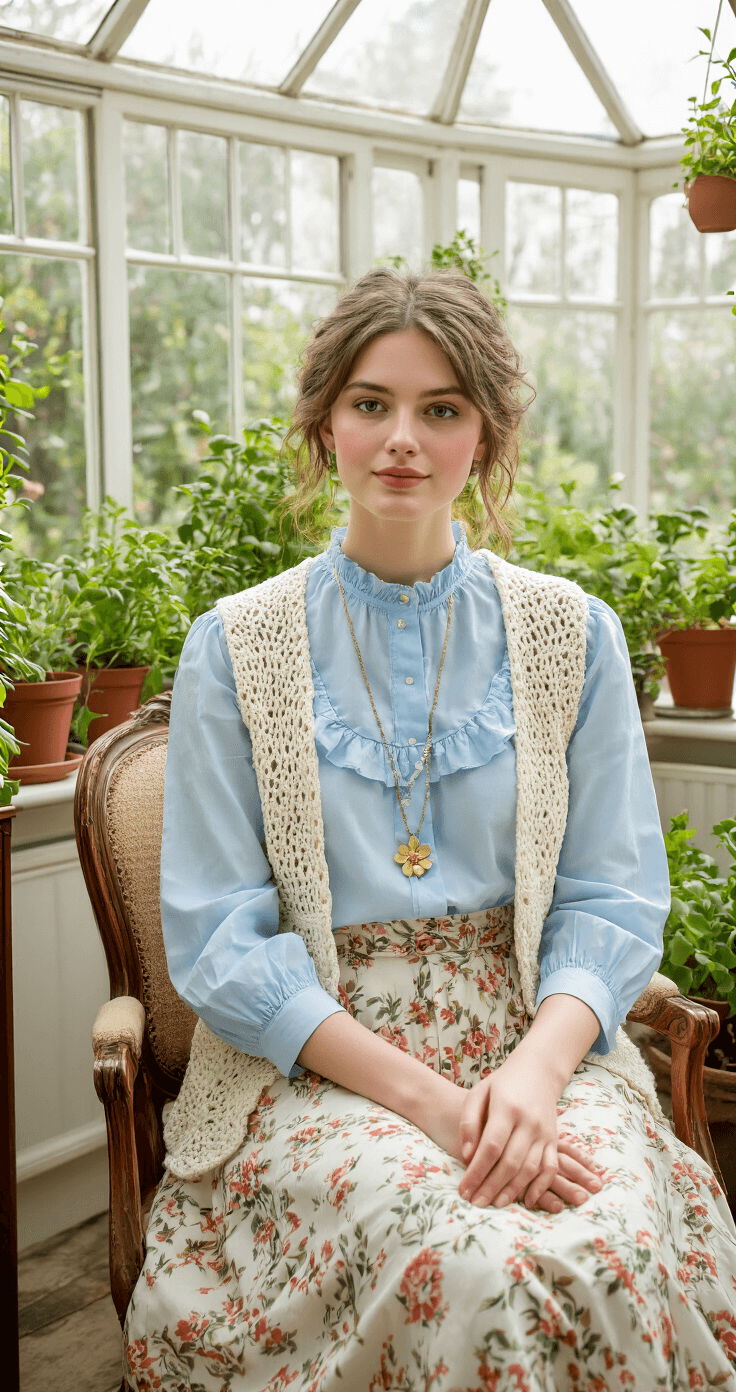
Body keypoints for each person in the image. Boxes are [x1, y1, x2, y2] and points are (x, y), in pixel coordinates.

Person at [124, 268, 736, 1391]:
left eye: (440, 408)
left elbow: (611, 894)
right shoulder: (235, 646)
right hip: (320, 1071)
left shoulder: (575, 635)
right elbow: (220, 941)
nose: (401, 438)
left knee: (603, 1245)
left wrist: (533, 1081)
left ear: (486, 436)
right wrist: (441, 1107)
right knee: (469, 1262)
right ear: (323, 424)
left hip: (540, 1043)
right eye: (370, 403)